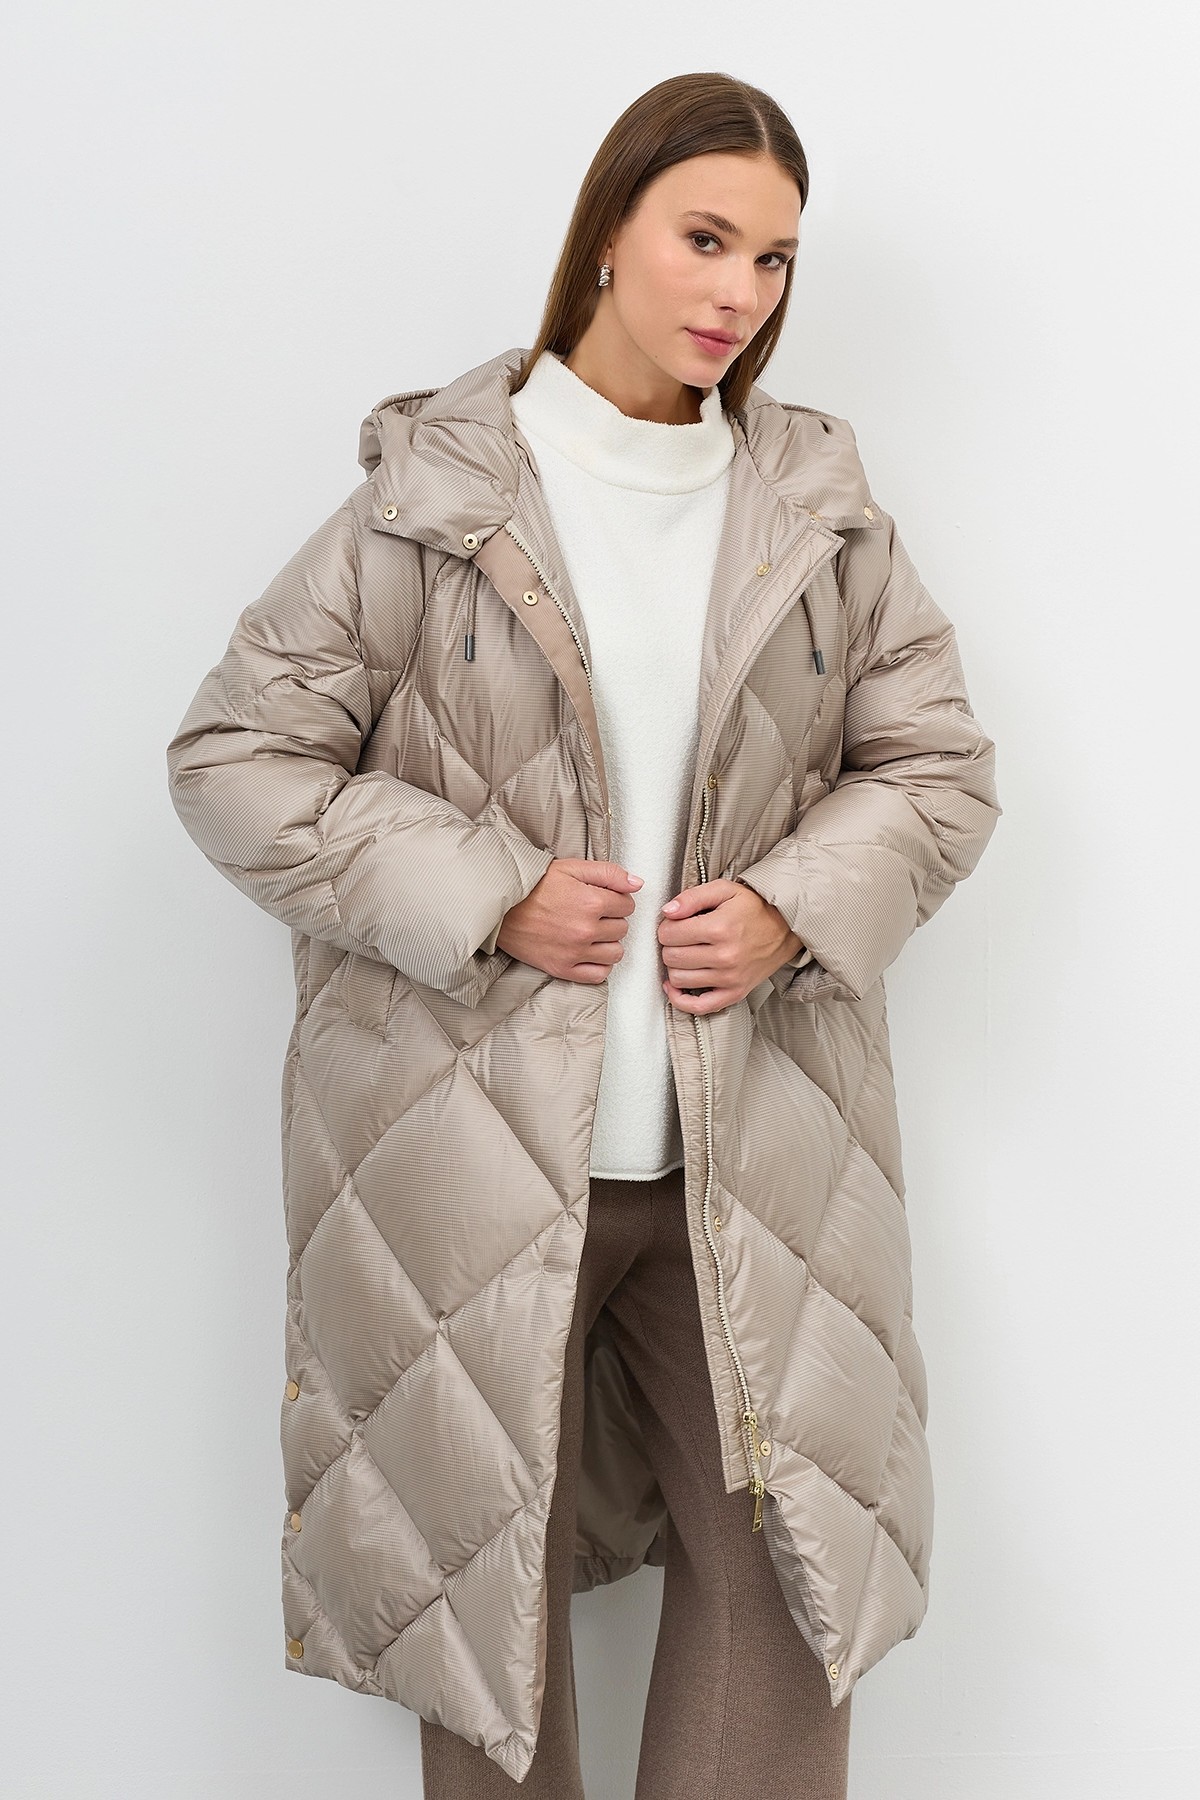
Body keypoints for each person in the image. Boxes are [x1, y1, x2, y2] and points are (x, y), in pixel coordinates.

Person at [166, 70, 999, 1800]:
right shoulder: (434, 495)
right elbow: (236, 762)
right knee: (492, 1627)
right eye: (706, 238)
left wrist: (787, 908)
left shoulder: (817, 512)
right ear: (608, 232)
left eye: (774, 259)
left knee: (792, 1593)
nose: (739, 293)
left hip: (750, 1163)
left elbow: (936, 771)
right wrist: (483, 889)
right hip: (466, 1162)